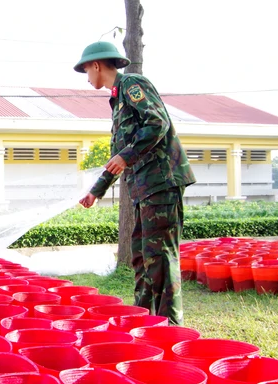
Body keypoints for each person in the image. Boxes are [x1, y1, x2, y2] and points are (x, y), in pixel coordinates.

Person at [74, 41, 196, 326]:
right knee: (142, 258)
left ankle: (171, 329)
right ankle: (143, 323)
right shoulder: (117, 102)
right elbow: (120, 155)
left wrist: (126, 157)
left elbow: (157, 122)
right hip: (144, 188)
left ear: (97, 65)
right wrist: (97, 190)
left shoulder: (132, 84)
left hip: (161, 182)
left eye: (86, 70)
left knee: (161, 260)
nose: (87, 77)